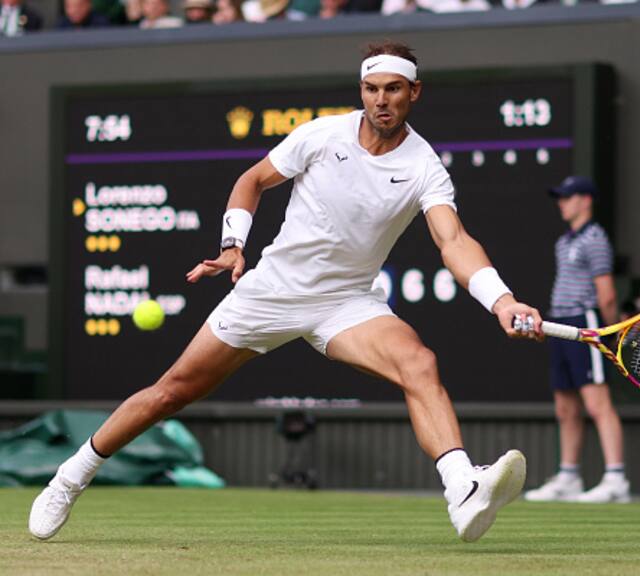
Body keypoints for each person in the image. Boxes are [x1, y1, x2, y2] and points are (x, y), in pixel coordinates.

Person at [29, 42, 543, 544]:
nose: (380, 100)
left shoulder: (424, 166)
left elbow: (452, 240)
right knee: (172, 392)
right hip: (273, 291)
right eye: (370, 88)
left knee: (418, 363)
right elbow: (252, 180)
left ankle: (462, 487)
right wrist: (234, 245)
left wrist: (501, 300)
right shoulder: (322, 135)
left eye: (393, 89)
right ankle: (70, 477)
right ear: (361, 90)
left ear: (415, 92)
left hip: (346, 302)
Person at [524, 175, 630, 504]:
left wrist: (610, 334)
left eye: (568, 197)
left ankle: (616, 479)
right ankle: (569, 475)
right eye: (560, 197)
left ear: (585, 200)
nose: (562, 203)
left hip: (587, 323)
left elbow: (607, 294)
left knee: (597, 403)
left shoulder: (595, 238)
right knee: (565, 406)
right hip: (560, 325)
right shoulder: (563, 242)